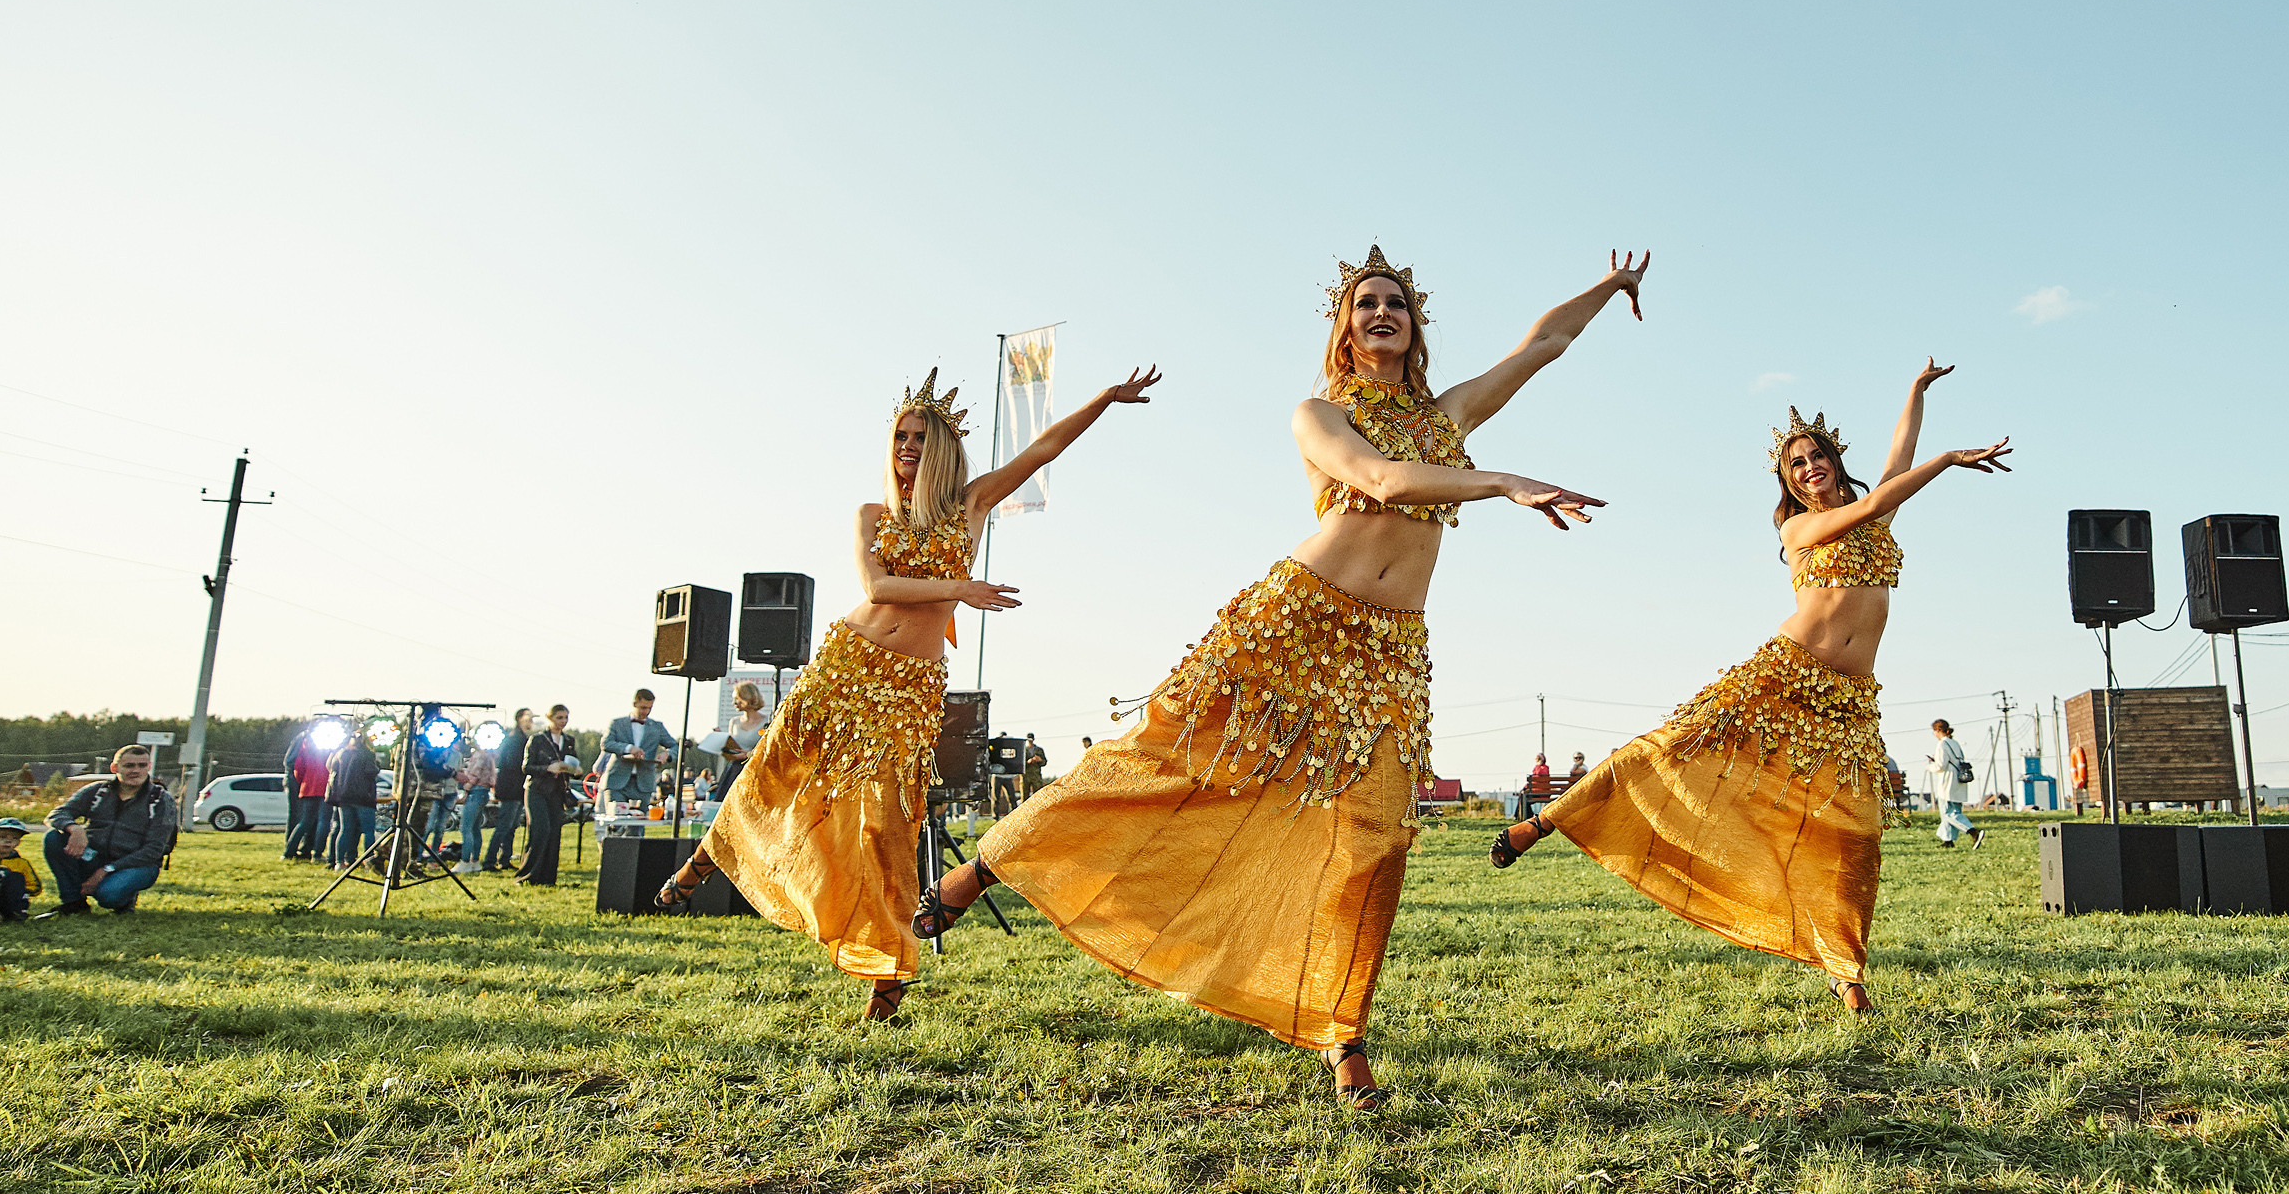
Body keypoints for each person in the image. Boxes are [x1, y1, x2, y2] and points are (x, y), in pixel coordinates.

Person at [924, 246, 1641, 1106]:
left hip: (1387, 654)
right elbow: (1378, 479)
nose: (1382, 313)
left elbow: (1543, 344)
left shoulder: (1447, 417)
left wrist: (1609, 286)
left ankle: (1343, 1034)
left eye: (1397, 306)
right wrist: (1503, 481)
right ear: (1345, 327)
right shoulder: (1318, 414)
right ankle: (978, 873)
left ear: (1414, 329)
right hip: (1293, 624)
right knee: (1160, 765)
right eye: (1365, 304)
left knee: (1374, 838)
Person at [1495, 364, 2011, 1015]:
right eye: (1796, 463)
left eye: (1817, 455)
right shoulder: (1798, 530)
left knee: (1856, 838)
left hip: (1848, 701)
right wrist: (1949, 459)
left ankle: (1846, 973)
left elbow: (1892, 469)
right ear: (1787, 481)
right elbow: (1883, 496)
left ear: (1833, 461)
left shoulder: (1871, 513)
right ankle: (1542, 822)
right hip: (1783, 677)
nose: (1809, 467)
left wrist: (1917, 389)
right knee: (1663, 752)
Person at [657, 362, 1161, 1020]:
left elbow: (1042, 450)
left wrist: (1105, 398)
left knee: (887, 827)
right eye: (900, 436)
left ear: (943, 450)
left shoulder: (972, 505)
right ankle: (701, 863)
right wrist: (959, 589)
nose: (907, 448)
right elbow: (876, 590)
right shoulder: (871, 514)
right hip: (847, 664)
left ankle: (888, 976)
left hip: (910, 686)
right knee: (773, 774)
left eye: (920, 438)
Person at [45, 745, 181, 916]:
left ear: (149, 767)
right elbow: (57, 814)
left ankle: (125, 899)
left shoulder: (161, 800)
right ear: (114, 768)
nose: (136, 771)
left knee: (108, 896)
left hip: (137, 865)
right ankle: (74, 903)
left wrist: (107, 870)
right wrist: (75, 829)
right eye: (129, 766)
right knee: (53, 838)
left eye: (142, 765)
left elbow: (154, 850)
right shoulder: (97, 791)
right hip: (94, 857)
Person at [518, 705, 580, 886]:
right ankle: (528, 875)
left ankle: (547, 878)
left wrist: (575, 770)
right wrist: (547, 768)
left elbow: (572, 763)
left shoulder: (569, 740)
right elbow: (526, 767)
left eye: (566, 718)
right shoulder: (537, 740)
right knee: (540, 830)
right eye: (559, 717)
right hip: (537, 789)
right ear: (550, 718)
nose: (563, 721)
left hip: (557, 791)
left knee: (554, 832)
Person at [602, 689, 677, 812]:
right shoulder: (617, 723)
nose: (646, 712)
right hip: (617, 782)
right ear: (634, 704)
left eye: (649, 708)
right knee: (616, 825)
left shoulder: (657, 727)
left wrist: (667, 754)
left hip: (644, 784)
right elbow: (606, 743)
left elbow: (676, 746)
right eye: (643, 708)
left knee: (638, 827)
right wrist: (628, 748)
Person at [325, 725, 381, 868]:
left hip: (344, 797)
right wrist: (377, 763)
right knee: (368, 830)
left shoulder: (342, 754)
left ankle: (339, 862)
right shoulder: (367, 754)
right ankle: (369, 860)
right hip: (363, 797)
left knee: (345, 829)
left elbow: (331, 769)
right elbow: (372, 772)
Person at [486, 709, 533, 871]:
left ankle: (504, 859)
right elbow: (512, 764)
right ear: (520, 719)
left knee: (511, 826)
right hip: (511, 788)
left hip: (516, 788)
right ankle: (489, 860)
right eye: (529, 717)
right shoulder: (515, 739)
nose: (531, 721)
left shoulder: (520, 738)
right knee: (504, 826)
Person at [1926, 718, 1981, 848]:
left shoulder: (1942, 744)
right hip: (1959, 781)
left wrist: (1930, 766)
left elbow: (1941, 766)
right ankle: (1948, 840)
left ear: (1938, 730)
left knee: (1948, 813)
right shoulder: (1954, 743)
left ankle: (1972, 831)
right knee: (1954, 809)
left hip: (1948, 781)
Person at [712, 681, 771, 803]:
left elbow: (769, 749)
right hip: (734, 771)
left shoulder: (767, 721)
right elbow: (731, 749)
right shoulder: (734, 722)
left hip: (756, 772)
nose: (734, 703)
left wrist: (748, 755)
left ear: (747, 698)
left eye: (737, 699)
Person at [284, 722, 334, 861]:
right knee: (324, 821)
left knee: (304, 821)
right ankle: (317, 854)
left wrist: (303, 782)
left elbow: (297, 767)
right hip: (325, 787)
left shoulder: (306, 744)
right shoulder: (333, 745)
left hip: (307, 787)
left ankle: (289, 852)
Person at [453, 735, 496, 871]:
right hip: (483, 792)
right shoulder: (489, 756)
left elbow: (475, 773)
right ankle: (475, 860)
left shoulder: (479, 755)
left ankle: (465, 861)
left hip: (476, 791)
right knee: (475, 828)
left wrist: (468, 784)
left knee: (466, 827)